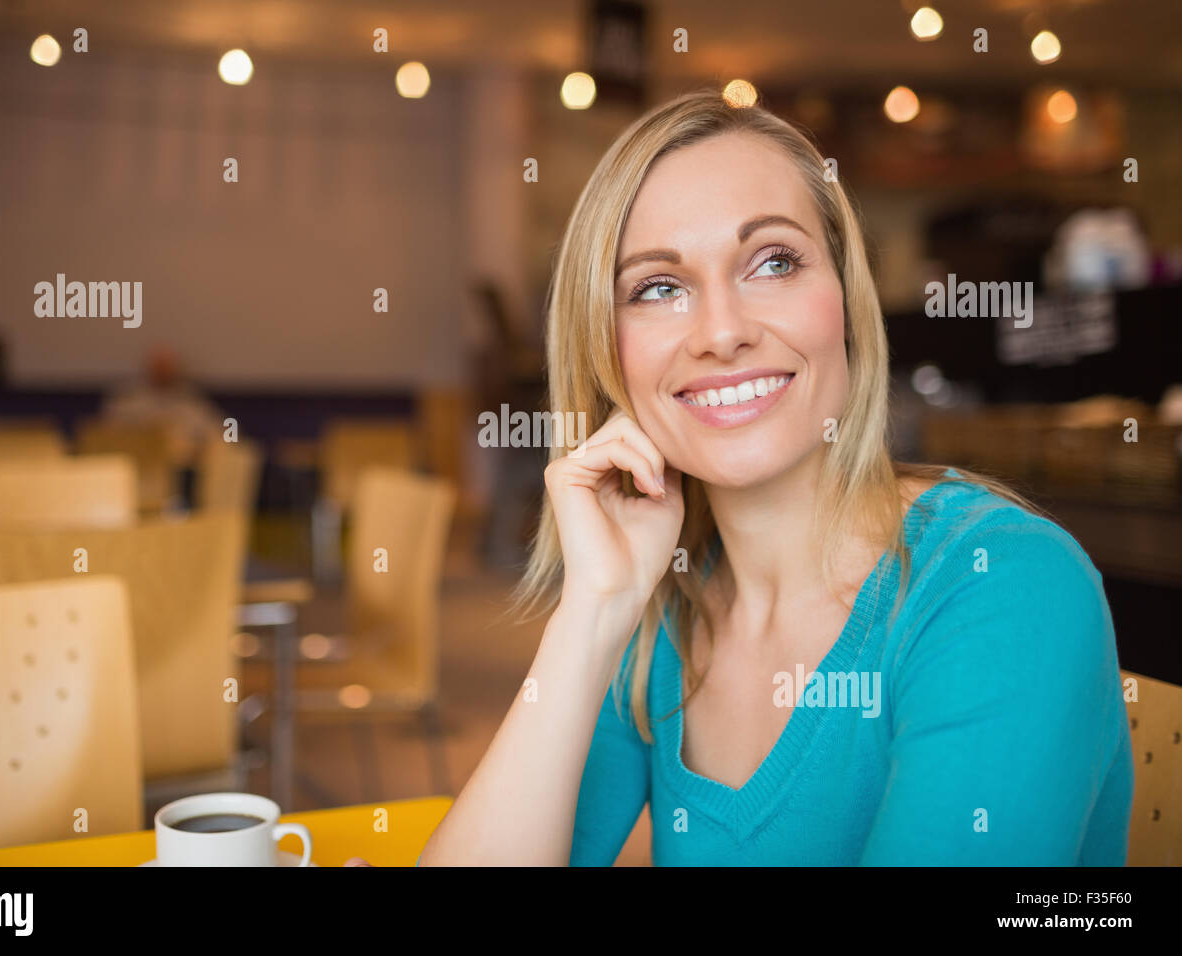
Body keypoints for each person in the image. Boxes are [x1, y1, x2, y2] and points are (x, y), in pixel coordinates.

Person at [416, 88, 1133, 866]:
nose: (722, 332)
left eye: (773, 262)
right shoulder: (658, 609)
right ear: (606, 351)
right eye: (659, 287)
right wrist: (593, 611)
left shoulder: (1004, 586)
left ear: (848, 304)